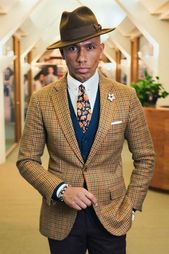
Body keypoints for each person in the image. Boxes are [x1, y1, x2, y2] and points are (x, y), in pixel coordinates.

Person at [17, 6, 155, 254]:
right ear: (62, 52)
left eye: (90, 47)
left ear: (101, 49)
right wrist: (61, 190)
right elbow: (27, 160)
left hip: (112, 214)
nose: (82, 57)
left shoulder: (126, 97)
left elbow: (145, 157)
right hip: (61, 216)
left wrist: (132, 207)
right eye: (73, 48)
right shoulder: (42, 100)